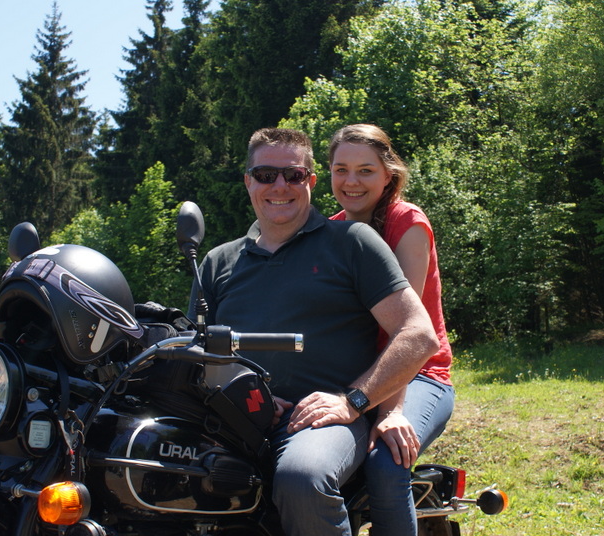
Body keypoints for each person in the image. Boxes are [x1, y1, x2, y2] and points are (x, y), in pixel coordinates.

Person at [191, 127, 439, 536]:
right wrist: (239, 396)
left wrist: (353, 401)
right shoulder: (218, 262)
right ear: (248, 181)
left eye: (293, 175)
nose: (280, 186)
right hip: (236, 419)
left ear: (310, 180)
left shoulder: (353, 242)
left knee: (302, 477)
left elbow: (417, 335)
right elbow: (196, 354)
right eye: (266, 175)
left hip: (322, 421)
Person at [328, 123, 455, 536]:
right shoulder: (328, 231)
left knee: (386, 461)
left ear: (388, 175)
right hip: (353, 376)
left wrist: (391, 412)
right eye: (341, 169)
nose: (351, 181)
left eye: (365, 170)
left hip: (418, 374)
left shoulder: (407, 223)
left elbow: (407, 334)